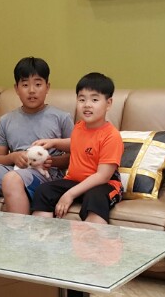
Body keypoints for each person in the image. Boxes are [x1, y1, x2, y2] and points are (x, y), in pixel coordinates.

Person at [0, 57, 74, 214]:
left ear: (47, 87)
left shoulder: (61, 118)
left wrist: (51, 161)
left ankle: (18, 230)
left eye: (38, 84)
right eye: (25, 85)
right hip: (15, 169)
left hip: (47, 175)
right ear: (16, 88)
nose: (32, 90)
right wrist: (14, 157)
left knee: (12, 179)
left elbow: (74, 156)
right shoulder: (6, 120)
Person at [31, 72, 123, 224]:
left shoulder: (111, 136)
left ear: (108, 103)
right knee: (44, 190)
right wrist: (54, 143)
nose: (87, 104)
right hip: (75, 181)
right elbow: (76, 143)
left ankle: (93, 238)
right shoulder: (79, 127)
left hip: (104, 185)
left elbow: (103, 176)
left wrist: (70, 194)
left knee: (95, 197)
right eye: (82, 99)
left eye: (94, 99)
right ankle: (42, 235)